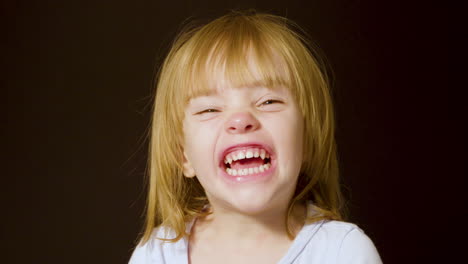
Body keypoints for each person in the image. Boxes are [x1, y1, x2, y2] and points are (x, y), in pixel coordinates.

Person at [129, 10, 382, 264]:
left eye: (268, 101)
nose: (241, 120)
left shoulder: (342, 252)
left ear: (308, 140)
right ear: (182, 155)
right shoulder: (155, 253)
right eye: (210, 109)